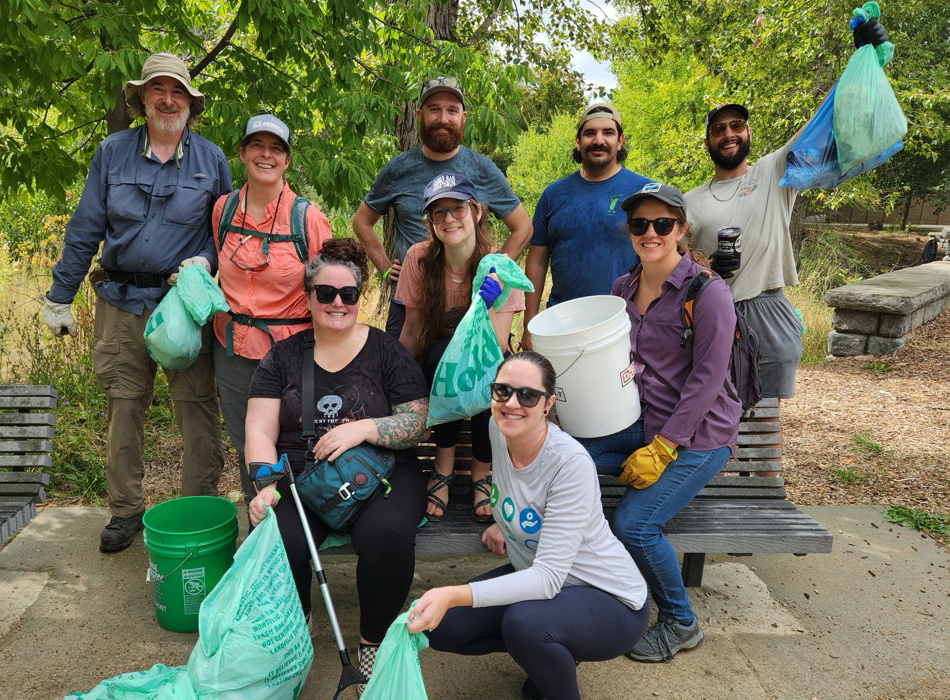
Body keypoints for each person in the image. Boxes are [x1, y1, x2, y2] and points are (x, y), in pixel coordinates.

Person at [42, 53, 230, 553]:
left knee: (196, 407)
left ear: (191, 103)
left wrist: (204, 262)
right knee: (123, 407)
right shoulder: (111, 153)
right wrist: (61, 296)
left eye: (178, 93)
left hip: (182, 308)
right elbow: (85, 228)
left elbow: (225, 233)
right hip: (120, 302)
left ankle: (199, 509)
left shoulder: (213, 160)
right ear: (141, 98)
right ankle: (126, 510)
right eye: (158, 91)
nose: (168, 100)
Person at [406, 352, 649, 700]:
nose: (512, 403)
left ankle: (552, 657)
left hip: (612, 600)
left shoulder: (570, 464)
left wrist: (450, 593)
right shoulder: (497, 428)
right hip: (550, 588)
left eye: (528, 395)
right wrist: (506, 526)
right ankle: (552, 650)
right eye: (502, 391)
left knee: (524, 624)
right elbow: (520, 497)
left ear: (548, 404)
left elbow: (548, 578)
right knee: (444, 627)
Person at [245, 239, 430, 690]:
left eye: (348, 294)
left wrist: (364, 429)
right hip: (303, 476)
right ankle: (297, 625)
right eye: (325, 293)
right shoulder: (282, 357)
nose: (337, 303)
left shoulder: (386, 352)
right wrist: (265, 484)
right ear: (308, 297)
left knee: (387, 535)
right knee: (279, 534)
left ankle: (372, 642)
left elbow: (418, 421)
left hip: (384, 472)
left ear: (360, 297)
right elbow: (260, 431)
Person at [577, 182, 742, 663]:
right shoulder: (622, 289)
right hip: (641, 422)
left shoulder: (707, 294)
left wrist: (666, 447)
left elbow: (708, 380)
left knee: (634, 524)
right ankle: (586, 579)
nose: (650, 232)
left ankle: (679, 620)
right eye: (639, 224)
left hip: (698, 437)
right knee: (571, 459)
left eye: (661, 224)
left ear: (681, 229)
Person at [684, 19, 891, 399]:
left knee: (764, 414)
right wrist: (706, 266)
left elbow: (825, 121)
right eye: (718, 129)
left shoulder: (775, 169)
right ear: (707, 142)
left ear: (748, 133)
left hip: (767, 307)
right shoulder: (689, 201)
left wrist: (864, 62)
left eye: (737, 125)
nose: (729, 133)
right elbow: (674, 263)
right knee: (714, 409)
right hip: (712, 311)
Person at [352, 76, 532, 337]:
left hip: (470, 303)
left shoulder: (482, 169)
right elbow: (362, 222)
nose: (443, 118)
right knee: (401, 372)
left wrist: (496, 271)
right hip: (411, 303)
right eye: (434, 109)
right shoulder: (398, 169)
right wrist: (386, 268)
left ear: (464, 117)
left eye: (452, 110)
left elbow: (523, 228)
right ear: (420, 115)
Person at [211, 114, 332, 502]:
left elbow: (330, 292)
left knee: (288, 441)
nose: (266, 155)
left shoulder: (307, 219)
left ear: (287, 160)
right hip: (231, 349)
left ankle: (295, 528)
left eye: (276, 148)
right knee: (245, 440)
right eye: (258, 146)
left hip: (288, 354)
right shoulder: (223, 210)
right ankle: (259, 526)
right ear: (243, 153)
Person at [396, 173, 525, 523]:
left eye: (457, 209)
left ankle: (482, 473)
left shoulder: (498, 268)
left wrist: (488, 303)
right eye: (439, 212)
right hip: (436, 365)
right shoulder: (419, 259)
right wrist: (392, 386)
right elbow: (411, 331)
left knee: (489, 373)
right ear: (430, 221)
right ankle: (443, 469)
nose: (449, 219)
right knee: (441, 356)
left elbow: (496, 346)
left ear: (477, 211)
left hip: (487, 367)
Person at [522, 103, 652, 351]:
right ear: (578, 140)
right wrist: (530, 323)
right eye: (590, 133)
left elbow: (662, 257)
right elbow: (537, 260)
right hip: (561, 326)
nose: (599, 140)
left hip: (625, 325)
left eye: (608, 133)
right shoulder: (553, 194)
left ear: (620, 140)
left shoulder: (643, 192)